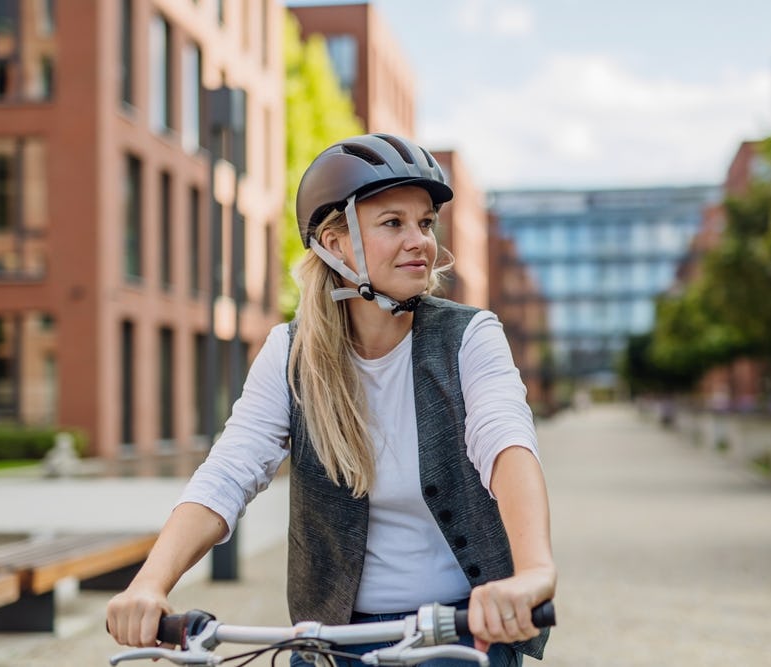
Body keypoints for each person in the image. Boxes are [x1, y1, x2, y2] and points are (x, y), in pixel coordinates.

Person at [106, 133, 557, 666]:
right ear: (337, 244)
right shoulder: (292, 352)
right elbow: (230, 469)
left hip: (457, 631)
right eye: (393, 223)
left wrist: (533, 574)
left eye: (425, 223)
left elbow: (505, 445)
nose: (420, 241)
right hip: (332, 638)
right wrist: (149, 584)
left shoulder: (469, 336)